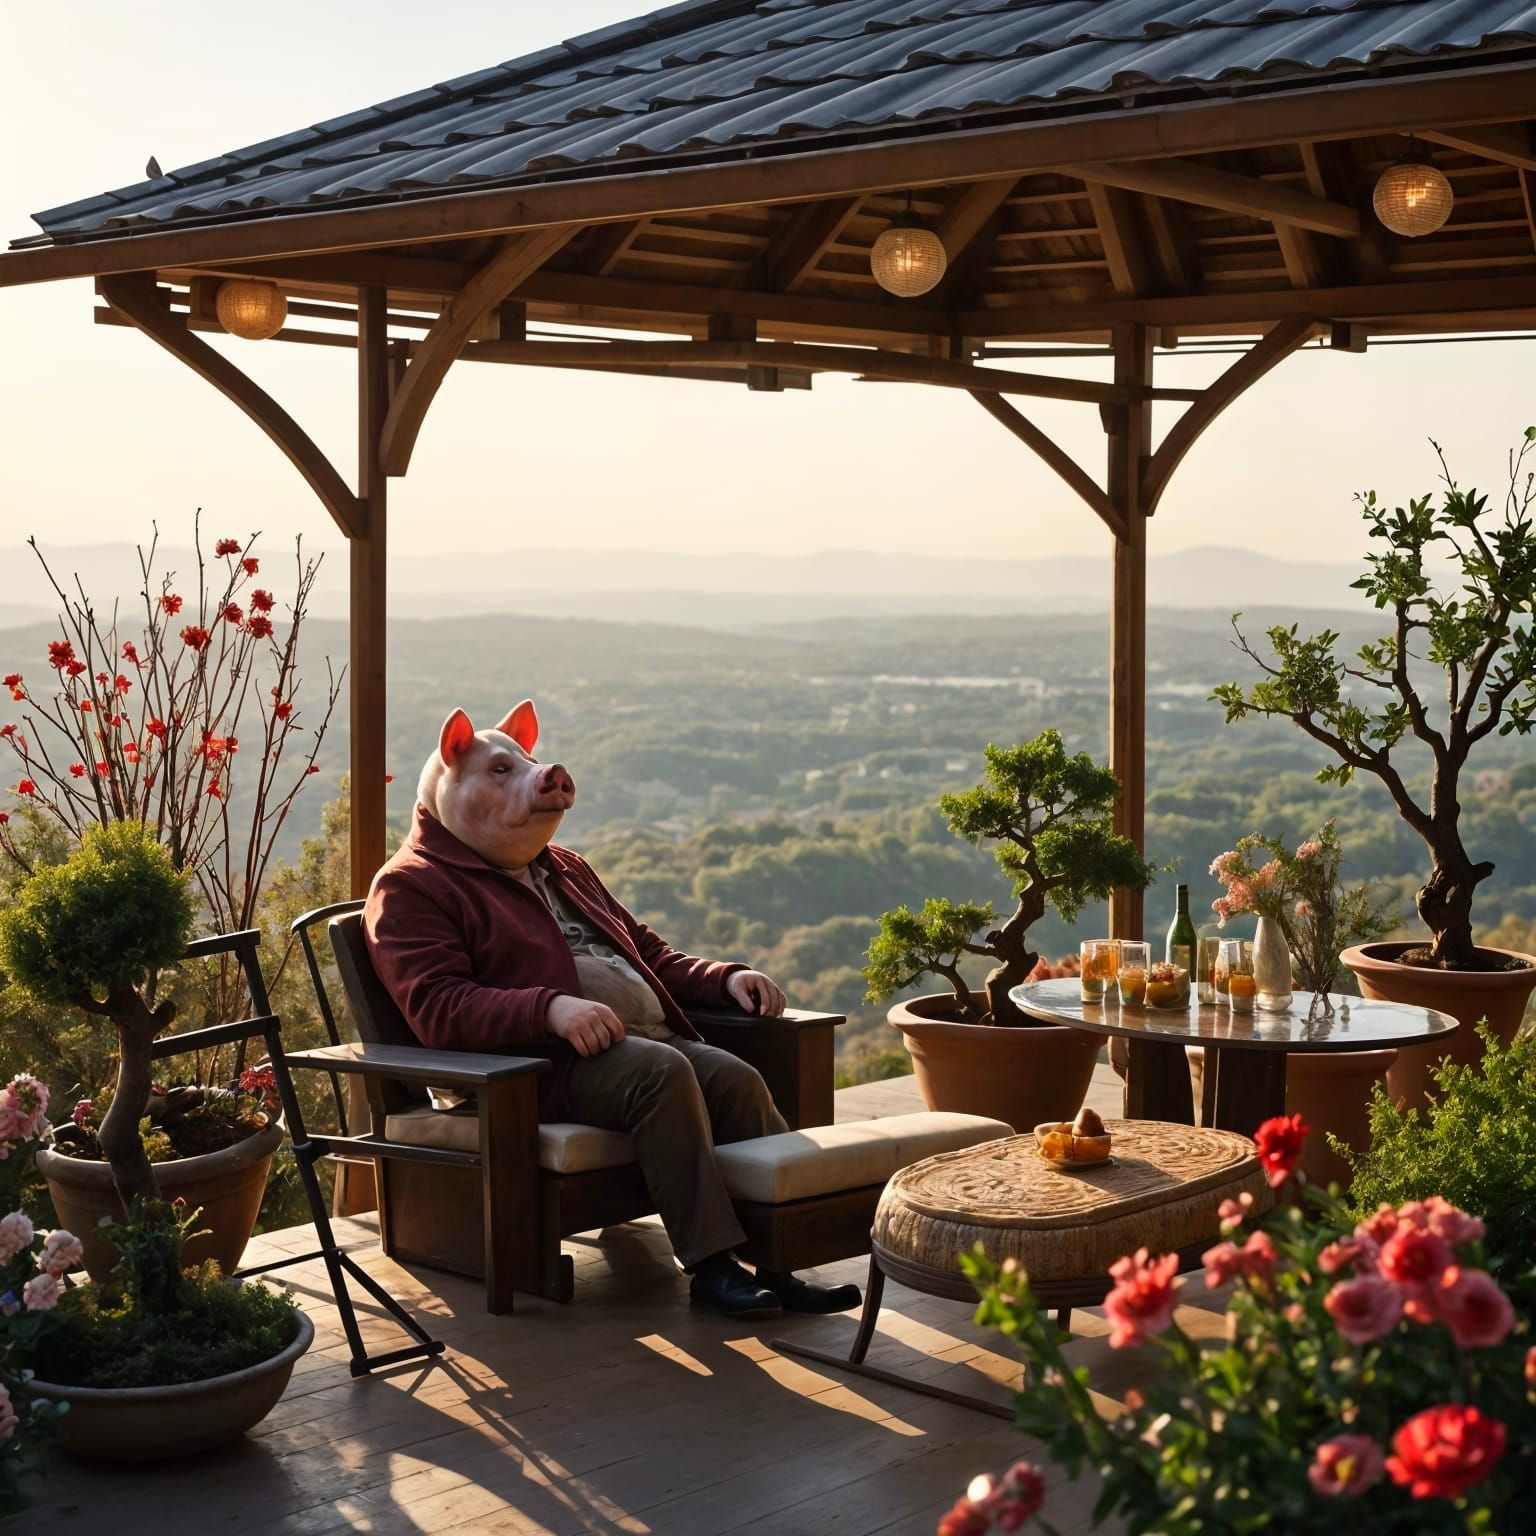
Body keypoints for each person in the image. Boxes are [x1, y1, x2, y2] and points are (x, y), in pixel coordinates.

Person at [365, 700, 860, 1319]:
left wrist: (724, 977)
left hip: (636, 1038)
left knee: (735, 1080)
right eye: (500, 770)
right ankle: (710, 1266)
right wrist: (549, 1011)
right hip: (535, 1068)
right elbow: (439, 1008)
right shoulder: (412, 885)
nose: (535, 774)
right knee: (661, 1075)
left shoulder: (565, 868)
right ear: (452, 765)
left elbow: (645, 951)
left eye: (528, 761)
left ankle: (781, 1260)